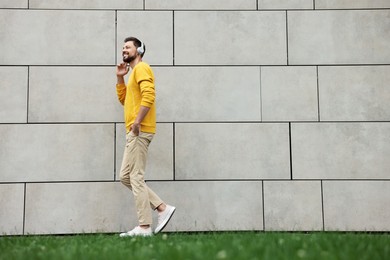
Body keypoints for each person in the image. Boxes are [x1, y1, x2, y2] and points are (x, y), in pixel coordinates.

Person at [116, 36, 175, 237]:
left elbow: (149, 95)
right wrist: (120, 78)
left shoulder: (142, 68)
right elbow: (125, 100)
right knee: (126, 177)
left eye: (128, 47)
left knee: (135, 176)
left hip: (139, 130)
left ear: (139, 50)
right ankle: (161, 207)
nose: (124, 50)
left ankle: (144, 227)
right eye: (123, 47)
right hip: (134, 131)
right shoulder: (133, 73)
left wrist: (138, 123)